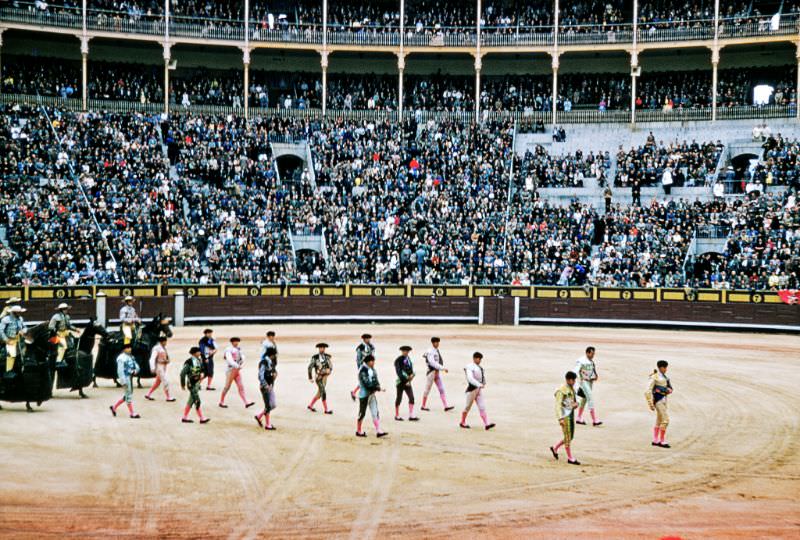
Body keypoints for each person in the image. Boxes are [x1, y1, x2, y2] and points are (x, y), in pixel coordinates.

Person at [550, 371, 580, 465]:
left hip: (571, 414)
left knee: (570, 437)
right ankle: (570, 458)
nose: (574, 382)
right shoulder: (561, 390)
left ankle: (555, 448)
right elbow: (557, 405)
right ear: (568, 380)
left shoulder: (571, 388)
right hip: (565, 416)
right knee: (568, 437)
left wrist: (576, 404)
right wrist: (560, 419)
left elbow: (575, 401)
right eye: (573, 380)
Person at [460, 352, 495, 430]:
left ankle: (487, 424)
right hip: (472, 390)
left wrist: (483, 383)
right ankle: (462, 422)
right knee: (467, 407)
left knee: (482, 407)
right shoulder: (469, 367)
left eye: (480, 359)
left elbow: (481, 377)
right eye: (479, 359)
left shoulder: (479, 367)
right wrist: (479, 384)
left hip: (478, 390)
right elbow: (470, 378)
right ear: (474, 358)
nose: (480, 360)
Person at [356, 354, 388, 438]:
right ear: (368, 362)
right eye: (372, 361)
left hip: (371, 394)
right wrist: (378, 388)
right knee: (362, 413)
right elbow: (367, 384)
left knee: (375, 412)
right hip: (364, 395)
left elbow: (375, 379)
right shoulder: (362, 370)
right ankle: (358, 431)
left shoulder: (372, 369)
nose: (373, 363)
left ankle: (378, 430)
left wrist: (377, 386)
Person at [219, 337, 255, 409]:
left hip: (236, 370)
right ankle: (221, 401)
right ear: (232, 342)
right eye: (235, 341)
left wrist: (240, 364)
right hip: (230, 370)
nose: (237, 343)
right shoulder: (228, 349)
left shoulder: (238, 349)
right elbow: (229, 360)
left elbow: (242, 357)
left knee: (241, 386)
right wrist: (237, 365)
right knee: (227, 387)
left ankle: (246, 402)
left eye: (237, 341)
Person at [421, 337, 453, 412]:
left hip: (436, 372)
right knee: (427, 389)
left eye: (438, 342)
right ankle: (423, 405)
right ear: (432, 343)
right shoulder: (430, 351)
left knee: (441, 389)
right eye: (436, 342)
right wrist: (443, 368)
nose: (437, 344)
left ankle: (446, 406)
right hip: (431, 372)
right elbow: (432, 363)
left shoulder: (434, 350)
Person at [646, 360, 673, 448]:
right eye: (665, 368)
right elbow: (648, 390)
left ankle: (655, 440)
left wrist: (668, 390)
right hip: (658, 400)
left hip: (663, 400)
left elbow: (669, 388)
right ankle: (662, 441)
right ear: (661, 367)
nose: (666, 369)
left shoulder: (664, 377)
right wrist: (650, 403)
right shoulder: (654, 377)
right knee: (665, 421)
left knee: (659, 420)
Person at [110, 343, 141, 419]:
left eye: (130, 347)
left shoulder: (130, 357)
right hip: (126, 378)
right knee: (128, 395)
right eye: (127, 348)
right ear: (123, 349)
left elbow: (136, 366)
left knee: (127, 394)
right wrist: (123, 381)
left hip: (130, 377)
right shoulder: (121, 358)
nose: (129, 349)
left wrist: (135, 371)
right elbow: (120, 371)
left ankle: (114, 407)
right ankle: (132, 413)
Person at [180, 346, 210, 424]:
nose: (200, 353)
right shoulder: (189, 362)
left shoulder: (198, 360)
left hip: (196, 383)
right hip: (192, 384)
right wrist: (182, 384)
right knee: (197, 400)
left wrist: (202, 374)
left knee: (191, 401)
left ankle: (184, 417)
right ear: (195, 353)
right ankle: (202, 418)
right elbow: (182, 374)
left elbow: (202, 369)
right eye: (199, 351)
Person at [574, 346, 601, 426]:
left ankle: (579, 417)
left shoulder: (591, 362)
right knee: (590, 397)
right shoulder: (581, 360)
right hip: (583, 382)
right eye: (592, 353)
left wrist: (595, 376)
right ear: (587, 352)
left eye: (594, 354)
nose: (593, 355)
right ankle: (594, 420)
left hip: (590, 382)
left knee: (584, 399)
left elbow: (592, 371)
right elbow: (575, 370)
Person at [0, 305, 27, 377]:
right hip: (9, 339)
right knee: (11, 355)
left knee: (19, 355)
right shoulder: (6, 319)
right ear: (14, 312)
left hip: (18, 339)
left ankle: (16, 369)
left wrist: (23, 331)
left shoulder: (20, 319)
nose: (20, 314)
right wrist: (6, 340)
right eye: (18, 312)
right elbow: (1, 330)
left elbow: (24, 327)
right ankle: (8, 371)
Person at [145, 336, 174, 402]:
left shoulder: (162, 348)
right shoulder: (157, 348)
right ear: (162, 341)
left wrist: (167, 360)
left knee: (157, 383)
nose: (166, 343)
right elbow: (152, 358)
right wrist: (152, 368)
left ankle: (148, 394)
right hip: (159, 367)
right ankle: (168, 397)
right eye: (165, 341)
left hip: (163, 366)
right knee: (166, 381)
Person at [255, 346, 278, 430]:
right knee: (268, 405)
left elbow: (273, 372)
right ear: (272, 355)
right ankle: (268, 425)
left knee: (273, 405)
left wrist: (275, 375)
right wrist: (265, 385)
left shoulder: (271, 362)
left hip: (270, 386)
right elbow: (260, 376)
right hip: (265, 387)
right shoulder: (264, 362)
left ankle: (259, 416)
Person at [49, 303, 78, 368]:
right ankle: (58, 361)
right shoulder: (56, 316)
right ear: (61, 310)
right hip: (57, 334)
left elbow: (69, 326)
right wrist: (55, 332)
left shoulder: (67, 316)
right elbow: (50, 327)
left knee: (72, 344)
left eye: (67, 309)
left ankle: (67, 359)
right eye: (65, 309)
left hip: (65, 333)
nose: (67, 310)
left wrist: (75, 329)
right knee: (63, 346)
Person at [394, 345, 418, 421]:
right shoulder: (398, 360)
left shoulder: (408, 359)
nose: (406, 352)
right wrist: (406, 380)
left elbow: (410, 370)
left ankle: (411, 415)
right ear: (402, 351)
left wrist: (412, 375)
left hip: (408, 382)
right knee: (399, 398)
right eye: (404, 351)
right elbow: (398, 372)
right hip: (401, 382)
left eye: (407, 351)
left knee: (411, 397)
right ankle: (397, 415)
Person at [307, 343, 333, 414]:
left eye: (323, 348)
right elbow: (310, 367)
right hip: (318, 377)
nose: (322, 349)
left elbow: (331, 366)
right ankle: (326, 409)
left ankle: (310, 405)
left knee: (319, 393)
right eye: (321, 348)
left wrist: (329, 370)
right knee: (323, 391)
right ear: (318, 349)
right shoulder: (315, 357)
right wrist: (310, 377)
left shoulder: (327, 357)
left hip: (325, 377)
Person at [351, 333, 375, 401]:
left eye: (368, 338)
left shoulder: (371, 346)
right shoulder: (360, 348)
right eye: (366, 339)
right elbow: (358, 359)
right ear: (364, 339)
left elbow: (373, 357)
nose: (368, 340)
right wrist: (360, 368)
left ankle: (354, 392)